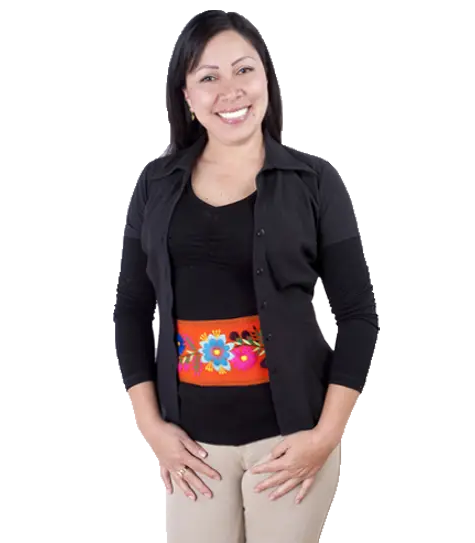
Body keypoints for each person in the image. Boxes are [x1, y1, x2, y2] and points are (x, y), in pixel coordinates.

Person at [115, 9, 379, 543]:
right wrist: (152, 428)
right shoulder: (156, 186)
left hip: (291, 439)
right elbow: (132, 310)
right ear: (187, 96)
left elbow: (357, 317)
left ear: (266, 78)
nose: (230, 91)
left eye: (243, 70)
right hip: (191, 447)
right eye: (208, 77)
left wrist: (324, 437)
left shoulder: (314, 183)